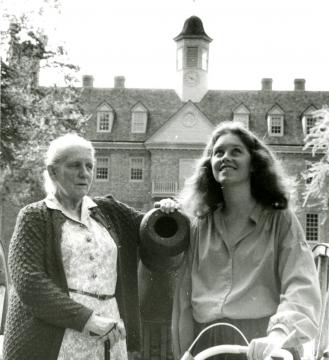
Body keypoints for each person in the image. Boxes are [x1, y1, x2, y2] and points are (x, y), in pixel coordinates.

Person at [159, 121, 321, 360]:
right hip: (208, 342)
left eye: (236, 151)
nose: (226, 157)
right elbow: (181, 290)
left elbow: (301, 284)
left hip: (262, 340)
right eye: (218, 152)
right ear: (210, 166)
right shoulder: (199, 224)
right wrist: (166, 217)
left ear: (254, 163)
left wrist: (278, 334)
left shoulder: (279, 219)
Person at [3, 133, 158, 360]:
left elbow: (152, 229)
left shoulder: (108, 211)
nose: (84, 173)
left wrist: (165, 210)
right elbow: (29, 282)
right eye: (75, 165)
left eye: (89, 166)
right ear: (53, 171)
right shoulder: (35, 216)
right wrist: (87, 320)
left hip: (111, 334)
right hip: (57, 336)